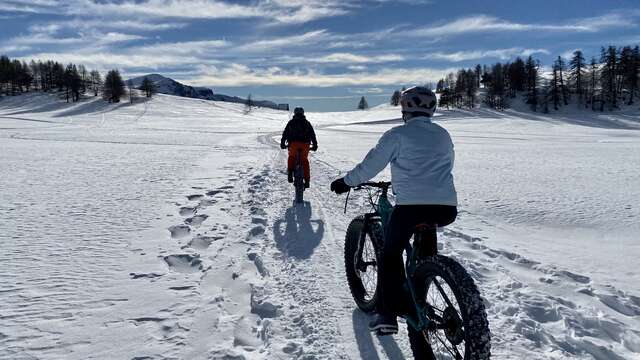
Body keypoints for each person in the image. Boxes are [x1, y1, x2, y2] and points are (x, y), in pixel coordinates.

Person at [330, 86, 458, 335]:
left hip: (410, 207)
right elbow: (446, 164)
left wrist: (346, 182)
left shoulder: (397, 135)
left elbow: (370, 166)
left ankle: (387, 314)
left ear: (404, 109)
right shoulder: (444, 135)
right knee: (424, 247)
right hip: (445, 208)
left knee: (390, 254)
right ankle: (423, 280)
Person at [280, 107, 318, 188]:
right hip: (305, 145)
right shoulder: (307, 123)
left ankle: (290, 173)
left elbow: (285, 133)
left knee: (292, 157)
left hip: (293, 144)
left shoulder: (291, 122)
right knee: (305, 161)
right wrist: (315, 145)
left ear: (294, 113)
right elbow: (312, 135)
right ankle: (307, 181)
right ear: (303, 113)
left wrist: (282, 143)